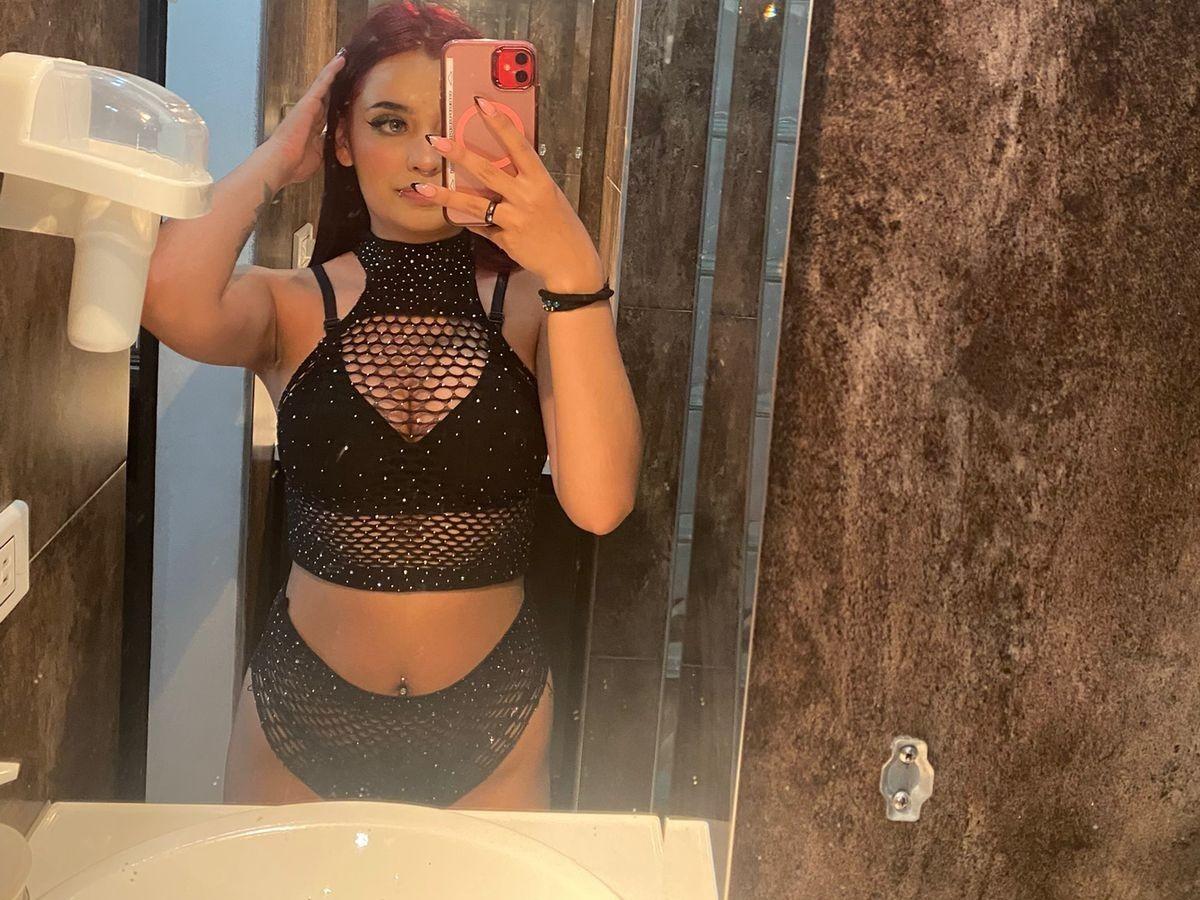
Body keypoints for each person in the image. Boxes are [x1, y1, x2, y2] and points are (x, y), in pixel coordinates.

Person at [140, 0, 642, 810]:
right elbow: (166, 298)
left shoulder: (542, 307)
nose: (421, 155)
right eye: (389, 123)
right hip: (301, 711)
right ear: (342, 140)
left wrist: (575, 270)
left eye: (448, 129)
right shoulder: (291, 307)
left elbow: (600, 502)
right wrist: (277, 158)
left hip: (494, 718)